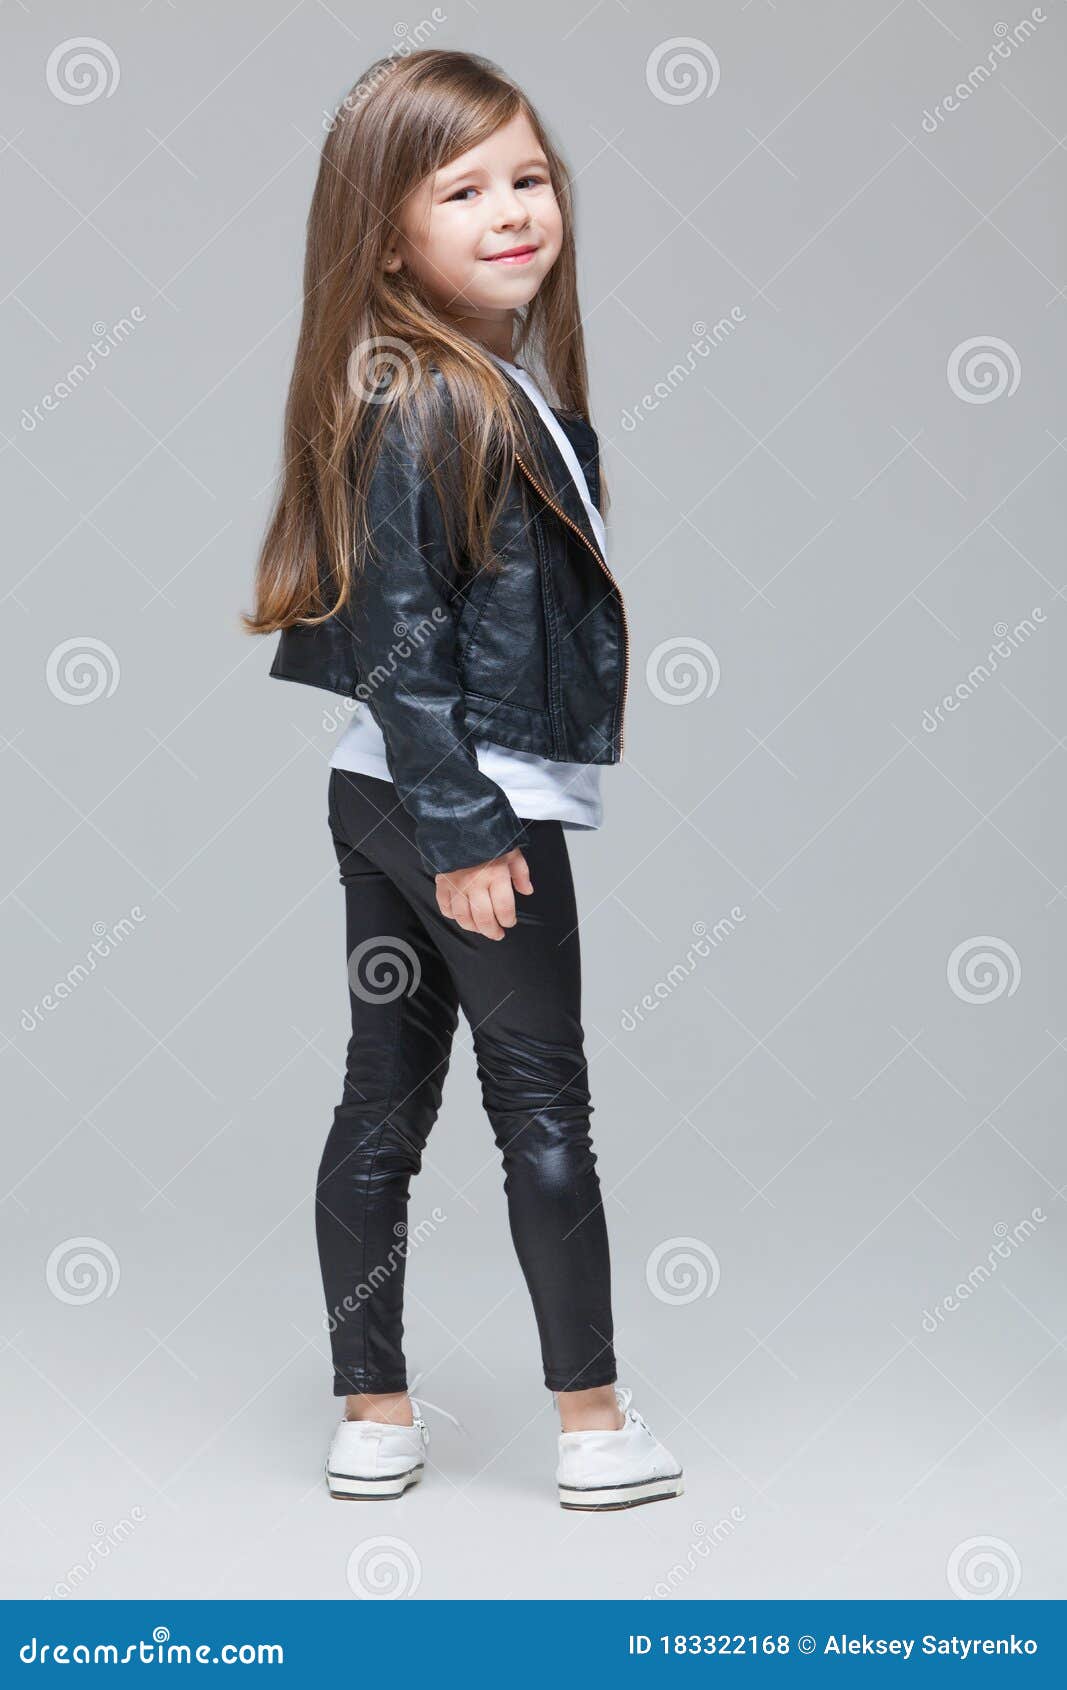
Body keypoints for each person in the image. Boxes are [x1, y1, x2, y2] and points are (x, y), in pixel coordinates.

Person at [243, 47, 682, 1511]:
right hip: (463, 796)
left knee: (385, 1096)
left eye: (531, 177)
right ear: (387, 235)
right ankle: (597, 1425)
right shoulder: (434, 396)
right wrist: (469, 824)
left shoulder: (469, 381)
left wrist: (431, 805)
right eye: (466, 188)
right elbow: (402, 632)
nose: (514, 210)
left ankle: (372, 1412)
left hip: (392, 788)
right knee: (543, 1101)